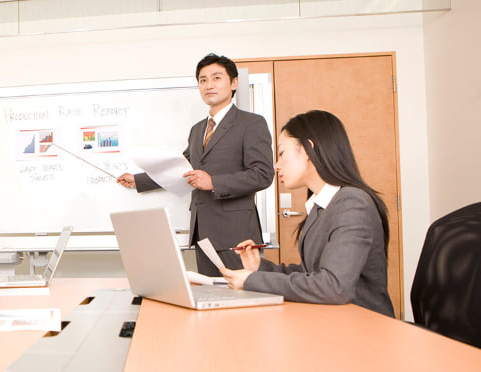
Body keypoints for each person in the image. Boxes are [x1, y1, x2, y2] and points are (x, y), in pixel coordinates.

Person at [220, 110, 394, 317]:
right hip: (335, 319)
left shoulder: (353, 204)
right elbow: (312, 274)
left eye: (282, 154)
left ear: (307, 150)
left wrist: (251, 281)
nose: (276, 165)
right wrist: (260, 268)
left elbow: (333, 286)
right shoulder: (322, 206)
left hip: (364, 325)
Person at [117, 53, 274, 275]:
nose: (209, 85)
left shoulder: (251, 123)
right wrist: (138, 180)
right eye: (203, 80)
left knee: (240, 292)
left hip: (237, 234)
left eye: (216, 78)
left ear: (234, 83)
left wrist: (214, 183)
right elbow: (181, 170)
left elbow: (263, 174)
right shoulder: (198, 129)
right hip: (203, 232)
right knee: (210, 292)